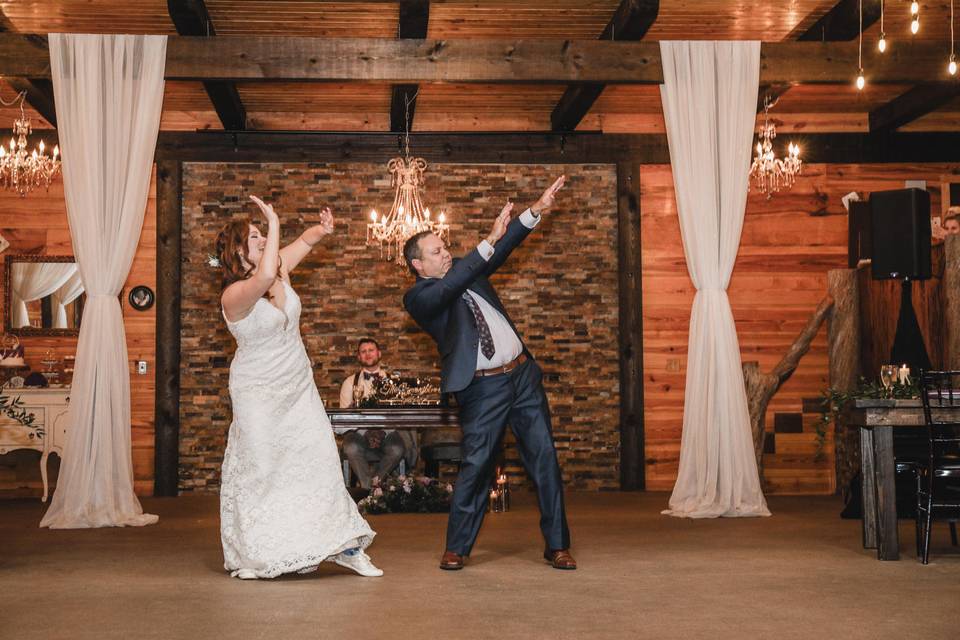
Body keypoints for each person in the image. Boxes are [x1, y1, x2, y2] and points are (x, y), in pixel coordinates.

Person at [402, 175, 575, 571]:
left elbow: (502, 249)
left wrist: (535, 210)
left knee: (544, 458)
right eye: (436, 252)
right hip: (483, 390)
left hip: (522, 377)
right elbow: (451, 286)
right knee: (477, 466)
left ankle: (558, 546)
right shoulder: (419, 297)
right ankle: (457, 548)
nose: (447, 255)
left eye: (445, 248)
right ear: (418, 264)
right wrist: (485, 241)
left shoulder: (469, 267)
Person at [215, 195, 381, 580]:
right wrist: (272, 222)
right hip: (258, 393)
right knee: (264, 470)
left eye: (262, 235)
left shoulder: (277, 269)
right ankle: (263, 552)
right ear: (238, 251)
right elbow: (260, 279)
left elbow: (304, 243)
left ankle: (346, 547)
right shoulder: (234, 295)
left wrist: (320, 230)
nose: (261, 241)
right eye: (253, 237)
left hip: (297, 388)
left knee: (319, 462)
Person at [337, 338, 417, 488]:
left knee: (397, 448)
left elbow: (398, 415)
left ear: (379, 354)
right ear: (359, 357)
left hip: (387, 433)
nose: (368, 354)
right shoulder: (349, 383)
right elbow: (343, 419)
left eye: (371, 350)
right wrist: (365, 432)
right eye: (363, 351)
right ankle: (369, 490)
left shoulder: (393, 382)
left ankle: (374, 483)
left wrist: (384, 431)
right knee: (350, 447)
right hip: (358, 434)